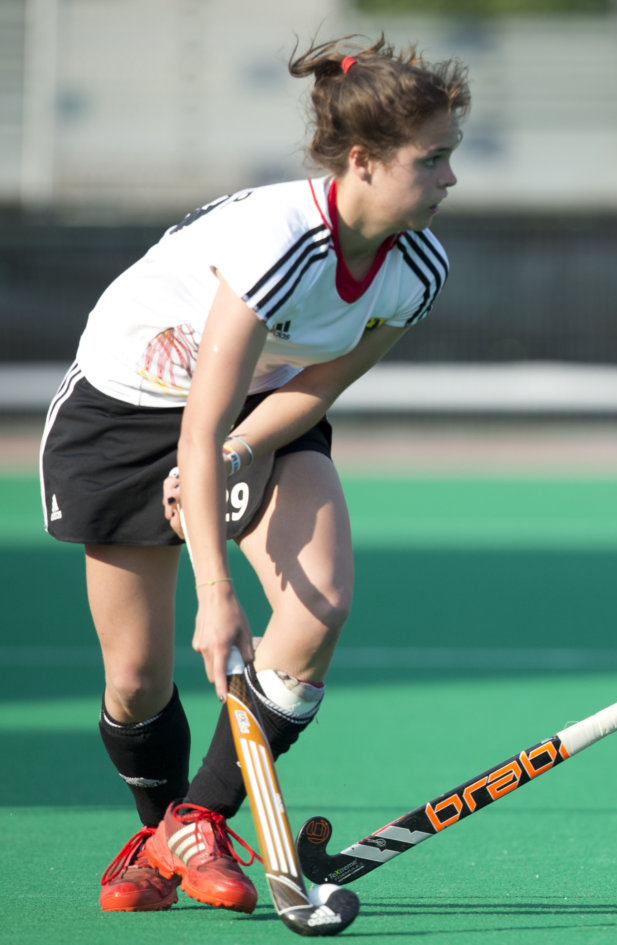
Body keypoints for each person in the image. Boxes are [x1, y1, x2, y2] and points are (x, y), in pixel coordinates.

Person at [38, 35, 470, 913]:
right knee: (136, 679)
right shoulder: (282, 245)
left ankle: (198, 818)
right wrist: (215, 590)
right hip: (127, 408)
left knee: (319, 606)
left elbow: (315, 388)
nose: (450, 178)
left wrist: (242, 451)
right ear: (363, 160)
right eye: (432, 160)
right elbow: (194, 426)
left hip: (258, 407)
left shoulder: (417, 267)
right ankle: (159, 835)